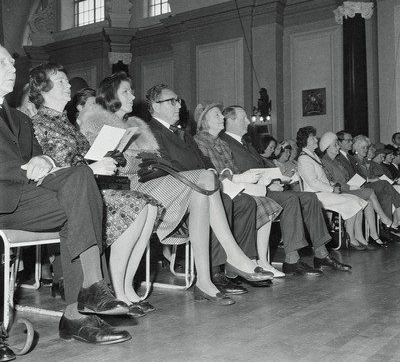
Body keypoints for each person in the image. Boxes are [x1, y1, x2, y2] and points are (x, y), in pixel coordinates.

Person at [80, 76, 272, 305]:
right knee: (205, 179)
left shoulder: (137, 126)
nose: (133, 96)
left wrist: (138, 158)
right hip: (131, 189)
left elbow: (149, 162)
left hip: (153, 184)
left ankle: (205, 281)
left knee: (204, 186)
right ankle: (233, 255)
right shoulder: (96, 123)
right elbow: (103, 167)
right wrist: (131, 158)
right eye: (126, 92)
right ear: (110, 95)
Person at [0, 45, 131, 345]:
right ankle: (87, 298)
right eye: (3, 63)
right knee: (81, 199)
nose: (12, 68)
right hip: (4, 200)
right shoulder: (29, 119)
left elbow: (39, 156)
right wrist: (28, 168)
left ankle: (79, 309)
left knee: (81, 181)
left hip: (28, 196)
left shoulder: (19, 120)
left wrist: (44, 160)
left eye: (12, 62)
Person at [30, 63, 163, 317]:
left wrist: (102, 160)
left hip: (84, 185)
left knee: (148, 205)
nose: (69, 84)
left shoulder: (66, 123)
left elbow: (78, 159)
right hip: (65, 195)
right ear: (43, 89)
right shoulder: (38, 123)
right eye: (60, 81)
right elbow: (55, 167)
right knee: (135, 204)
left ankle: (125, 287)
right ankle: (114, 289)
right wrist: (92, 166)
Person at [142, 83, 273, 293]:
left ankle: (227, 267)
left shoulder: (182, 133)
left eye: (178, 101)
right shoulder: (148, 130)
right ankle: (223, 265)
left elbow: (205, 161)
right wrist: (205, 175)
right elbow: (164, 165)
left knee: (237, 201)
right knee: (222, 196)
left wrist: (210, 173)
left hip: (197, 189)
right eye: (172, 101)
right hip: (171, 194)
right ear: (156, 106)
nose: (179, 105)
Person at [220, 105, 351, 275]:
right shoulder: (224, 142)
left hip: (263, 186)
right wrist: (266, 183)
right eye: (243, 118)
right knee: (290, 199)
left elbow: (259, 166)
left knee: (310, 198)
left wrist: (273, 180)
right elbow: (235, 173)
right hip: (248, 191)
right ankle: (292, 259)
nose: (247, 122)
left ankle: (321, 254)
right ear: (230, 120)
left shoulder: (245, 142)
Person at [193, 103, 284, 277]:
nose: (223, 118)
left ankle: (251, 260)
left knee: (264, 203)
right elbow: (212, 174)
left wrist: (253, 179)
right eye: (217, 115)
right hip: (215, 191)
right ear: (205, 121)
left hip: (231, 189)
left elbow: (234, 171)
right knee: (247, 202)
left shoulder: (223, 144)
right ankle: (239, 261)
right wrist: (241, 178)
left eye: (222, 115)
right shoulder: (199, 141)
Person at [296, 127, 372, 250]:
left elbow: (323, 179)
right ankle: (350, 238)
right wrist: (332, 189)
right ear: (306, 141)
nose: (316, 139)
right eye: (313, 138)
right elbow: (313, 182)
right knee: (352, 201)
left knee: (356, 199)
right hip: (316, 195)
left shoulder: (312, 155)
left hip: (324, 192)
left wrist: (332, 186)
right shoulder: (304, 158)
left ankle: (356, 236)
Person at [319, 132, 391, 249]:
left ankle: (365, 235)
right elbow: (332, 182)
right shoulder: (325, 162)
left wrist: (353, 185)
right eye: (335, 145)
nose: (338, 147)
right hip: (339, 191)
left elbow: (346, 177)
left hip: (348, 188)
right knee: (369, 192)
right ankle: (382, 219)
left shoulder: (336, 161)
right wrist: (350, 186)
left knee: (368, 201)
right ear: (327, 148)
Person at [351, 135, 400, 242]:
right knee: (385, 183)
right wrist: (370, 179)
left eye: (366, 148)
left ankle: (386, 229)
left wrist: (373, 178)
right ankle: (397, 214)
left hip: (372, 186)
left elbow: (373, 174)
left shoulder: (366, 161)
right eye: (363, 148)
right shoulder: (353, 160)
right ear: (355, 148)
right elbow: (354, 177)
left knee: (386, 196)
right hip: (361, 187)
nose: (366, 150)